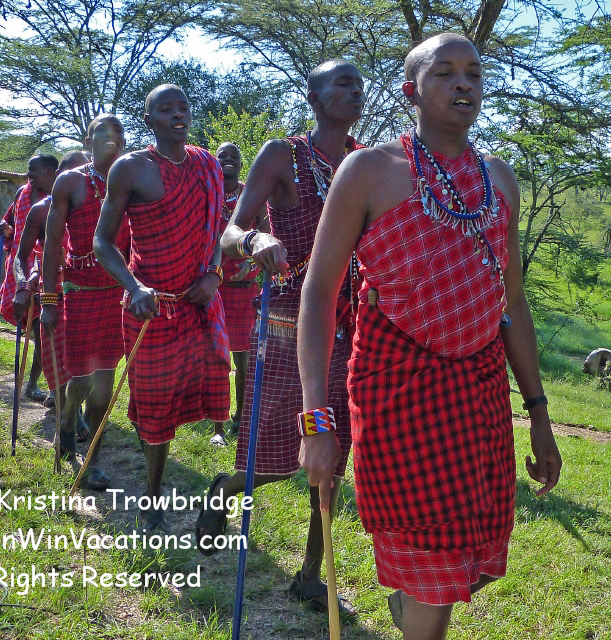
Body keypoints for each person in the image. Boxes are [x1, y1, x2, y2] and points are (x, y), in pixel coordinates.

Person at [297, 34, 562, 640]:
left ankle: (412, 605)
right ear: (410, 90)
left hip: (480, 395)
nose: (463, 82)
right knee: (431, 573)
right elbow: (318, 293)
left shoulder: (499, 179)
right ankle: (418, 609)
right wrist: (315, 421)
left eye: (473, 72)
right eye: (444, 72)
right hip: (398, 392)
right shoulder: (369, 171)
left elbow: (513, 304)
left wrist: (539, 415)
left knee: (475, 557)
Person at [196, 59, 365, 613]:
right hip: (289, 324)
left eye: (358, 84)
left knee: (333, 457)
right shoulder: (282, 155)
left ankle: (311, 574)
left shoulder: (365, 162)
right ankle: (226, 488)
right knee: (273, 456)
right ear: (313, 98)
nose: (355, 90)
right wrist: (254, 241)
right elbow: (229, 230)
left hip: (350, 329)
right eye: (342, 83)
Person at [93, 85, 230, 532]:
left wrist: (214, 274)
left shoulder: (207, 165)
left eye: (183, 107)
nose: (177, 115)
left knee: (194, 392)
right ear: (148, 119)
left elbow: (217, 232)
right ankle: (152, 498)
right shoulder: (130, 168)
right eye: (165, 109)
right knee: (153, 404)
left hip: (197, 304)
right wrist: (134, 287)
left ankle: (174, 480)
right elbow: (102, 242)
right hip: (149, 308)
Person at [41, 115, 128, 491]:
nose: (111, 137)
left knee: (105, 383)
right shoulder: (70, 182)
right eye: (102, 132)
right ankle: (66, 418)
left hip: (118, 294)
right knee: (81, 378)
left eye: (118, 132)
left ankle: (91, 461)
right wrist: (48, 299)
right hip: (79, 293)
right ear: (88, 140)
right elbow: (52, 243)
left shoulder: (132, 177)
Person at [13, 150, 90, 432]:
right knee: (57, 362)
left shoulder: (100, 207)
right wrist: (24, 284)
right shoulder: (41, 210)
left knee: (87, 363)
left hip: (89, 295)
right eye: (80, 174)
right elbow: (22, 256)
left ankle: (77, 413)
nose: (86, 181)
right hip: (52, 296)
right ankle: (70, 419)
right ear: (60, 177)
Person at [209, 141, 264, 446]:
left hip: (245, 290)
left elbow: (268, 231)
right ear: (215, 162)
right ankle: (217, 425)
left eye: (234, 156)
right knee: (216, 358)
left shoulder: (252, 195)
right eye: (222, 156)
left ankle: (241, 418)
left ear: (242, 164)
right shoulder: (208, 193)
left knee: (243, 358)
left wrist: (254, 261)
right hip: (214, 289)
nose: (228, 159)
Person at [0, 153, 59, 403]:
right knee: (37, 329)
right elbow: (10, 222)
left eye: (33, 170)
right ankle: (36, 384)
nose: (28, 174)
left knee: (48, 331)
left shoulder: (61, 197)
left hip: (51, 269)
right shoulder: (22, 193)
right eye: (28, 169)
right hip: (21, 267)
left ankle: (52, 387)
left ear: (50, 171)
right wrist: (6, 230)